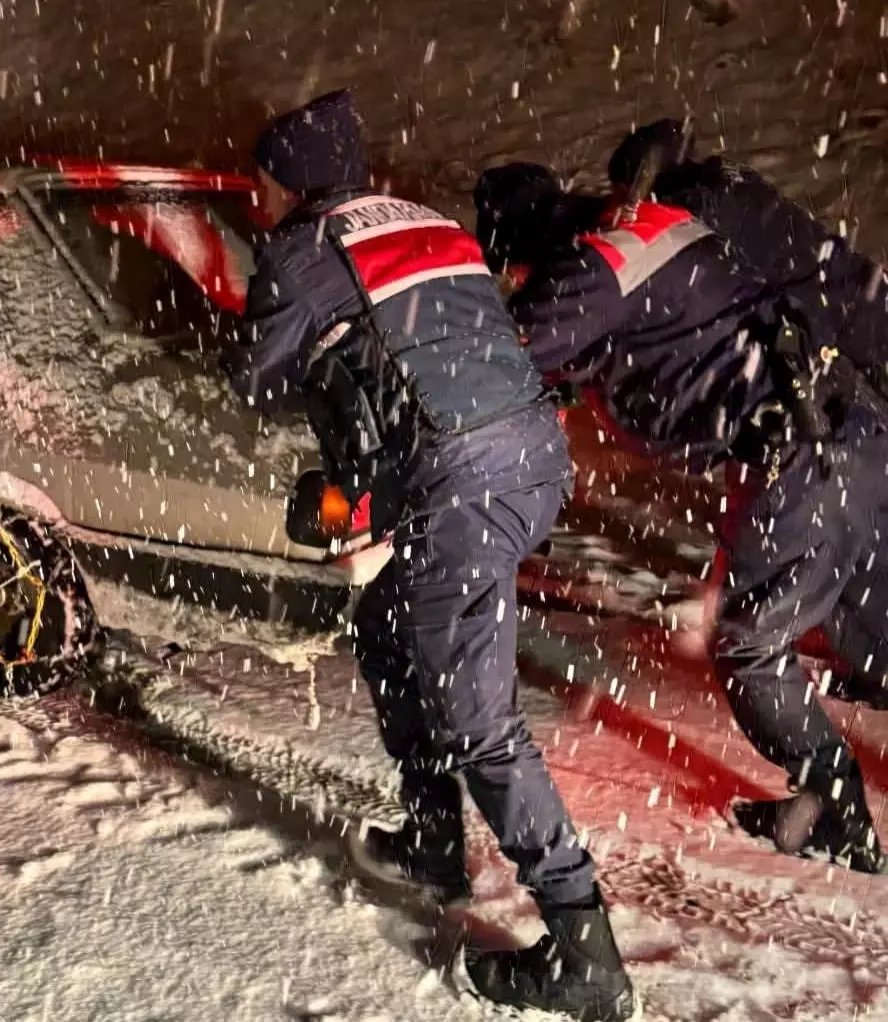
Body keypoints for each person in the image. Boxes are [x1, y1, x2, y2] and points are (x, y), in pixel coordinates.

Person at [227, 89, 636, 1022]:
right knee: (387, 630)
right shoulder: (422, 217)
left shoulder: (302, 247)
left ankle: (586, 955)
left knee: (480, 721)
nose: (255, 198)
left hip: (459, 481)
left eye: (260, 183)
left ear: (290, 180)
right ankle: (432, 839)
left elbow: (257, 376)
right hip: (524, 455)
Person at [477, 159, 887, 878]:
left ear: (519, 251)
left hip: (801, 452)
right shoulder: (641, 231)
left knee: (749, 642)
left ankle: (837, 810)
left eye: (510, 273)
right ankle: (824, 803)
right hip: (854, 430)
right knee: (867, 624)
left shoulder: (585, 270)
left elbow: (499, 370)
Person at [606, 119, 888, 714]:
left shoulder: (695, 221)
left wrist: (719, 584)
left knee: (843, 524)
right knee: (852, 525)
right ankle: (876, 660)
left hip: (852, 351)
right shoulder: (721, 188)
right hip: (857, 330)